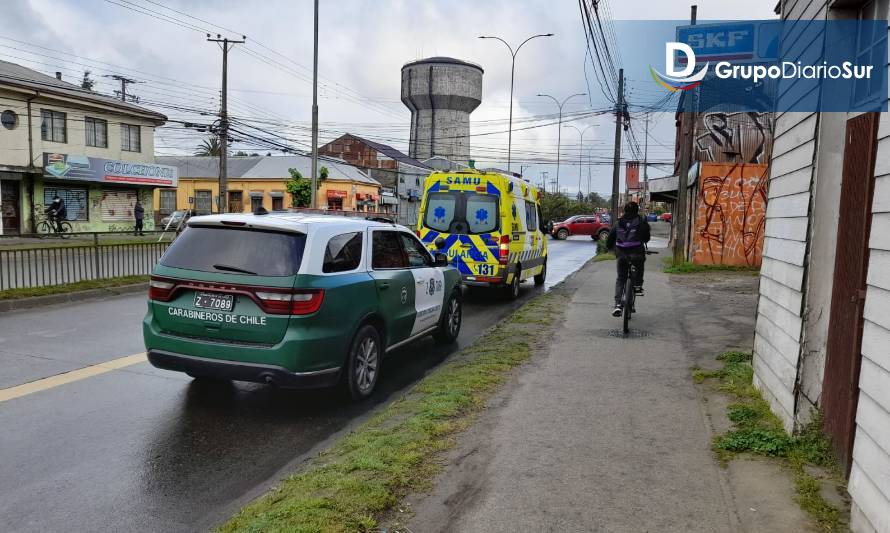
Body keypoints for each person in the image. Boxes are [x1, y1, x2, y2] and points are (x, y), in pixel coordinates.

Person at [606, 201, 651, 317]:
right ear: (637, 210)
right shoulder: (641, 222)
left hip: (621, 254)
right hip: (637, 254)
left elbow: (609, 240)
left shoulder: (618, 223)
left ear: (624, 210)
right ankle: (638, 285)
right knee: (640, 264)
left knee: (621, 279)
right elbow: (646, 238)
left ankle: (617, 305)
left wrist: (611, 249)